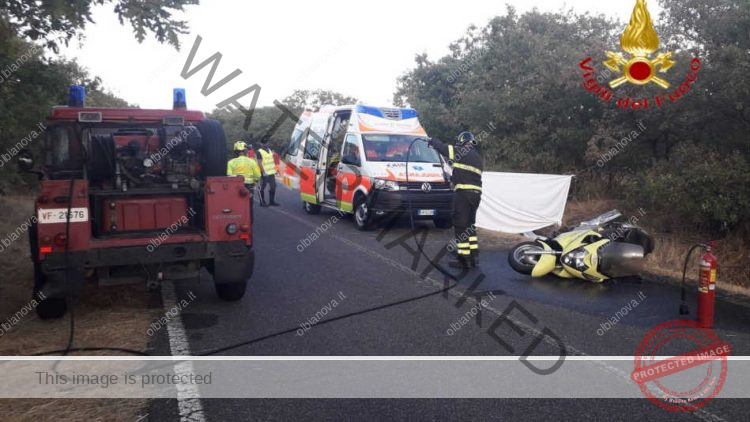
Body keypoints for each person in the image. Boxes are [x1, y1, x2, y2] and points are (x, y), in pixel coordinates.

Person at [429, 131, 483, 269]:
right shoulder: (477, 157)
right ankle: (474, 256)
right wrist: (452, 178)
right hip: (475, 194)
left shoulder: (462, 151)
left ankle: (464, 259)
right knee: (469, 226)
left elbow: (443, 148)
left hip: (464, 194)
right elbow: (467, 175)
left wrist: (432, 140)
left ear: (462, 141)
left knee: (460, 225)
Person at [227, 141, 261, 218]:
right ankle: (249, 223)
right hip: (249, 187)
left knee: (236, 207)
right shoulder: (252, 162)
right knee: (249, 207)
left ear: (235, 152)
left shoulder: (230, 162)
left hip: (235, 188)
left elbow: (229, 176)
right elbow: (258, 176)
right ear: (246, 151)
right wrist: (255, 181)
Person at [256, 141, 279, 206]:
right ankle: (262, 202)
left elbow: (272, 161)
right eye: (264, 143)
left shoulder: (269, 150)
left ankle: (272, 201)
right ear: (261, 144)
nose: (266, 144)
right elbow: (259, 163)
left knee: (273, 186)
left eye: (267, 143)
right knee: (262, 187)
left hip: (271, 172)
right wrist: (263, 172)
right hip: (264, 173)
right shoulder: (259, 152)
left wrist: (276, 170)